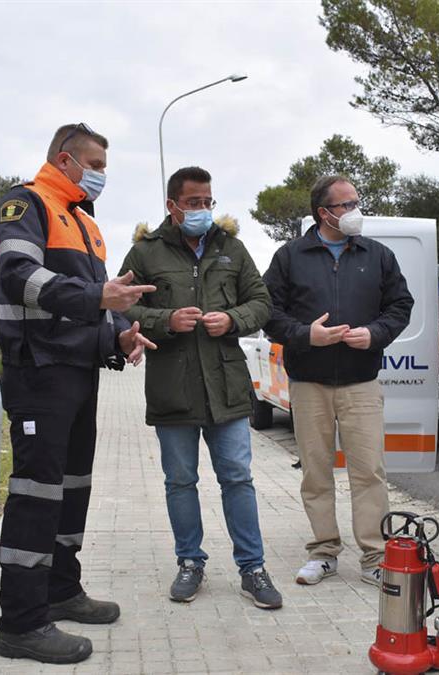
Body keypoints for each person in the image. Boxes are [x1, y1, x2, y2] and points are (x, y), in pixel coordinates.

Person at [0, 123, 156, 664]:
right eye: (96, 164)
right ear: (66, 160)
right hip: (38, 370)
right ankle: (20, 621)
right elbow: (19, 275)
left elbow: (93, 306)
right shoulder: (25, 203)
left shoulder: (85, 222)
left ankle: (61, 590)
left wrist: (119, 335)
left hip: (79, 374)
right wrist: (96, 298)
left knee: (72, 488)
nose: (102, 174)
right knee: (37, 494)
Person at [118, 166, 282, 609]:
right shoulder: (144, 253)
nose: (203, 210)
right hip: (173, 387)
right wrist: (164, 321)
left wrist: (233, 319)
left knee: (237, 479)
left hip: (227, 388)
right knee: (180, 481)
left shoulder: (233, 248)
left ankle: (253, 568)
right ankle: (190, 562)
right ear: (172, 206)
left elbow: (262, 301)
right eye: (193, 203)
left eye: (208, 201)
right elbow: (119, 309)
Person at [262, 175, 413, 588]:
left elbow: (401, 305)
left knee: (369, 472)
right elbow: (267, 311)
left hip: (361, 382)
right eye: (345, 205)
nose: (354, 211)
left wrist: (376, 334)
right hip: (309, 382)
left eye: (356, 202)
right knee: (316, 471)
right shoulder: (289, 256)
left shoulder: (378, 255)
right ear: (323, 213)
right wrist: (304, 334)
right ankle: (324, 551)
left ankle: (374, 556)